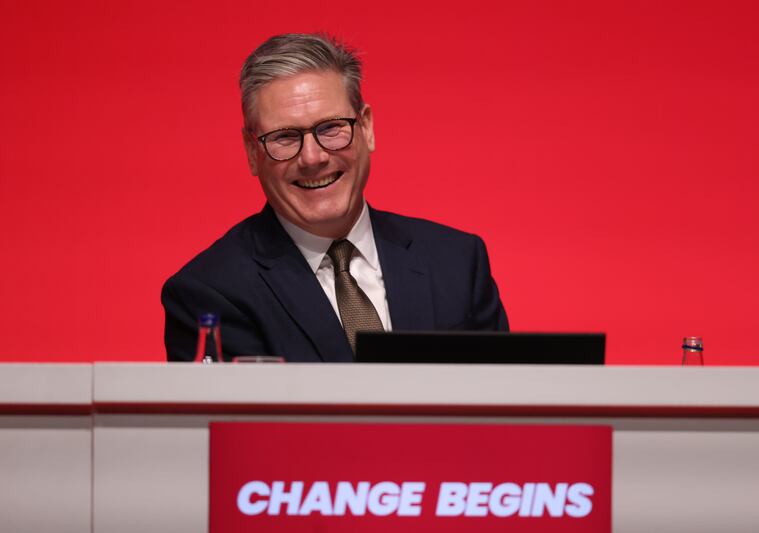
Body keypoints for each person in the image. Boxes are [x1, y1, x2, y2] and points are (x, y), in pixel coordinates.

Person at [162, 33, 508, 362]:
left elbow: (499, 397)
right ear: (253, 151)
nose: (312, 157)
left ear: (366, 128)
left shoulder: (456, 262)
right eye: (284, 137)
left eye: (330, 128)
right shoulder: (210, 293)